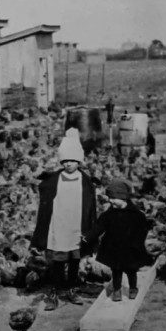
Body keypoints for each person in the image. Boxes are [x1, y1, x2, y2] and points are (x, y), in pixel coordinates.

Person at [32, 128, 97, 311]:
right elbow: (45, 191)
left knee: (75, 258)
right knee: (58, 260)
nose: (69, 164)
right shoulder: (55, 179)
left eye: (73, 161)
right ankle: (54, 291)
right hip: (59, 223)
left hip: (76, 224)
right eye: (66, 161)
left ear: (79, 161)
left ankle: (71, 288)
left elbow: (90, 205)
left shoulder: (84, 181)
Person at [82, 178, 152, 302]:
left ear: (124, 197)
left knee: (131, 269)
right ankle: (117, 290)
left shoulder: (136, 215)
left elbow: (143, 230)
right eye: (110, 198)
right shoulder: (108, 214)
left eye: (114, 198)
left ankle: (133, 288)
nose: (111, 201)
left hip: (131, 247)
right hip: (114, 247)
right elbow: (99, 227)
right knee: (116, 270)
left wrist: (137, 243)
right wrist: (87, 236)